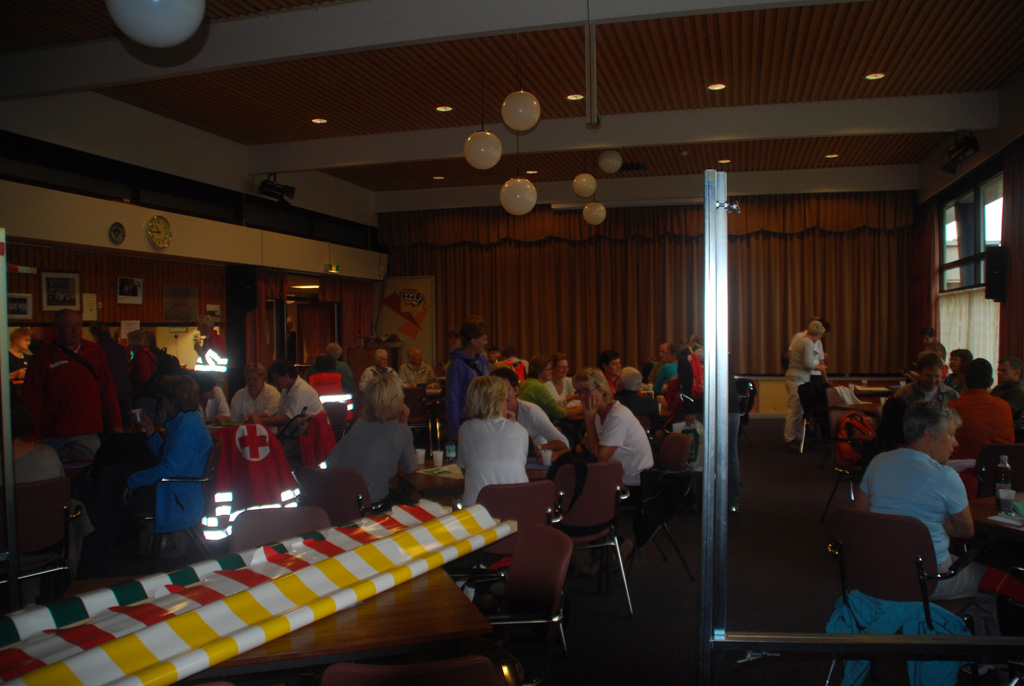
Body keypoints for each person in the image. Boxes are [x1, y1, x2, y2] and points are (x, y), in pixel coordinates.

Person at [854, 400, 1022, 636]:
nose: (956, 443)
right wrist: (939, 520)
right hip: (930, 575)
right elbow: (965, 531)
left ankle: (922, 623)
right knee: (989, 584)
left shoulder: (878, 462)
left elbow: (860, 516)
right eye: (951, 434)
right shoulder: (945, 477)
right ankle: (985, 649)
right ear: (929, 435)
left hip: (878, 570)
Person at [81, 375, 212, 577]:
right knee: (112, 478)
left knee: (110, 483)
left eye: (164, 398)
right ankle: (99, 548)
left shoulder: (186, 429)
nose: (162, 401)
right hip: (179, 490)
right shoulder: (189, 423)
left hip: (175, 496)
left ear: (172, 401)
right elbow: (168, 461)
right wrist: (150, 429)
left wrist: (132, 481)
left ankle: (96, 550)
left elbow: (168, 469)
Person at [23, 309, 123, 466]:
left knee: (91, 473)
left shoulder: (94, 352)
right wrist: (34, 436)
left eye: (78, 325)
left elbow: (107, 391)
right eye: (69, 326)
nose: (75, 330)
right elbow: (32, 399)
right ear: (57, 328)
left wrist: (116, 425)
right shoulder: (42, 358)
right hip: (53, 435)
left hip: (88, 433)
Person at [325, 373, 417, 505]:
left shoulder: (359, 425)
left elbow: (331, 461)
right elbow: (410, 467)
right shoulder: (401, 431)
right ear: (397, 401)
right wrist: (404, 423)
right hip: (373, 503)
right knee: (408, 496)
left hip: (344, 500)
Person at [572, 367, 653, 487]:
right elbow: (586, 443)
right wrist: (561, 454)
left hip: (634, 481)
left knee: (574, 483)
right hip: (614, 473)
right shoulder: (598, 412)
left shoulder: (617, 416)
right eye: (579, 392)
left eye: (587, 390)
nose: (582, 397)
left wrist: (589, 420)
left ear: (602, 389)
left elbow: (601, 458)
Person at [457, 375, 529, 506]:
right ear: (500, 402)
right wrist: (512, 423)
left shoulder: (465, 429)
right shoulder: (521, 430)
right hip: (517, 507)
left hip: (477, 510)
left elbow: (464, 470)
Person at [879, 351, 960, 445]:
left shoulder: (952, 395)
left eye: (937, 376)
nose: (933, 380)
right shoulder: (904, 394)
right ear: (919, 373)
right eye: (929, 376)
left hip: (942, 443)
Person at [946, 359, 1014, 462]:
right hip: (999, 466)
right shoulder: (1004, 406)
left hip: (963, 468)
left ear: (964, 379)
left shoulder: (952, 408)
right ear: (991, 382)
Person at [492, 366, 570, 456]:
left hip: (533, 461)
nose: (500, 395)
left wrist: (536, 448)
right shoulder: (488, 412)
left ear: (516, 390)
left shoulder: (531, 411)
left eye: (505, 390)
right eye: (495, 391)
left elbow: (563, 443)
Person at [783, 319, 826, 449]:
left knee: (798, 410)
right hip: (797, 379)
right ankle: (790, 438)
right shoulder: (808, 342)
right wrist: (819, 367)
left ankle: (797, 436)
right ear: (817, 334)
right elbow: (807, 363)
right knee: (795, 410)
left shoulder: (802, 341)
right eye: (820, 336)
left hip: (796, 378)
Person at [445, 317, 490, 440]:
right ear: (473, 341)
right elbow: (452, 399)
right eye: (483, 339)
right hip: (465, 421)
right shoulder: (457, 365)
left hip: (484, 419)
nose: (486, 342)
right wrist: (455, 430)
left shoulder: (482, 360)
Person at [518, 354, 583, 423]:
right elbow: (559, 413)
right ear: (539, 371)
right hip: (534, 425)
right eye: (549, 369)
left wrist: (574, 408)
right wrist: (581, 410)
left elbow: (554, 408)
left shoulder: (526, 383)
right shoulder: (538, 387)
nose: (551, 372)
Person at [266, 359, 323, 424]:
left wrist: (262, 421)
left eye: (276, 379)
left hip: (313, 428)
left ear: (286, 376)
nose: (274, 382)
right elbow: (281, 414)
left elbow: (289, 419)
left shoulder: (301, 391)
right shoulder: (285, 389)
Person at [992, 356, 1024, 420]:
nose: (999, 373)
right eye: (998, 370)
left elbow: (1004, 413)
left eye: (1004, 370)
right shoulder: (998, 388)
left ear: (1017, 372)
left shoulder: (1018, 391)